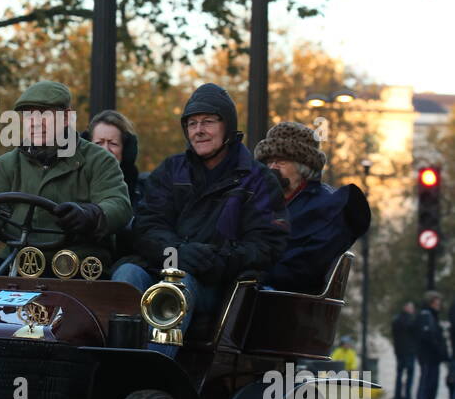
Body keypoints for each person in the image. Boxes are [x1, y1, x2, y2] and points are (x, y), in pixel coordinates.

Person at [112, 83, 289, 352]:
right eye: (192, 123)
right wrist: (178, 253)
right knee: (126, 274)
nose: (198, 130)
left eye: (208, 121)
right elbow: (147, 225)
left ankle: (151, 373)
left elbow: (267, 245)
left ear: (228, 126)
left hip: (217, 285)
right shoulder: (170, 170)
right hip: (162, 267)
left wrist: (216, 260)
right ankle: (114, 367)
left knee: (177, 286)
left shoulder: (259, 179)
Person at [0, 80, 132, 274]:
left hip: (77, 267)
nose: (35, 122)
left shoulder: (98, 159)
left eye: (44, 114)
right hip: (18, 262)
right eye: (28, 115)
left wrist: (89, 215)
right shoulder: (7, 164)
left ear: (66, 118)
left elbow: (119, 205)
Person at [252, 121, 371, 293]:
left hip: (284, 300)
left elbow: (305, 268)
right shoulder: (259, 202)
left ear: (304, 167)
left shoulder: (328, 207)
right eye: (268, 162)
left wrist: (253, 272)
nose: (272, 168)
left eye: (281, 161)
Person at [87, 109, 146, 259]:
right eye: (98, 143)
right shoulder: (72, 182)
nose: (105, 150)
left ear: (126, 149)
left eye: (113, 143)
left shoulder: (144, 191)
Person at [413, 291, 449, 399]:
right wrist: (439, 349)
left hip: (433, 356)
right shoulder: (426, 316)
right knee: (427, 382)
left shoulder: (432, 316)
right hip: (428, 356)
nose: (439, 304)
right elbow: (428, 336)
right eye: (436, 302)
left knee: (432, 383)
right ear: (431, 302)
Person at [391, 299, 417, 399]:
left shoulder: (397, 319)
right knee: (409, 374)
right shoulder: (410, 320)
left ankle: (398, 397)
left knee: (400, 374)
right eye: (411, 308)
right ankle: (407, 397)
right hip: (408, 351)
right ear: (406, 308)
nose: (413, 310)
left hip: (400, 351)